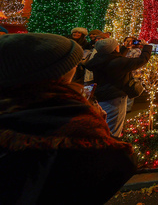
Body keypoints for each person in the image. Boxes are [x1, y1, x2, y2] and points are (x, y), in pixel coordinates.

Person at [0, 33, 136, 204]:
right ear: (58, 71)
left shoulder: (15, 108)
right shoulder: (71, 121)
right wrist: (98, 123)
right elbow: (116, 165)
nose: (77, 65)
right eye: (73, 62)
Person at [86, 37, 152, 137]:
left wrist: (125, 48)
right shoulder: (117, 62)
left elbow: (114, 58)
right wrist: (147, 47)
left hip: (102, 95)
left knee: (103, 122)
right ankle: (110, 148)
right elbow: (141, 60)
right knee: (113, 128)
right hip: (115, 98)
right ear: (113, 48)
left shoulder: (98, 59)